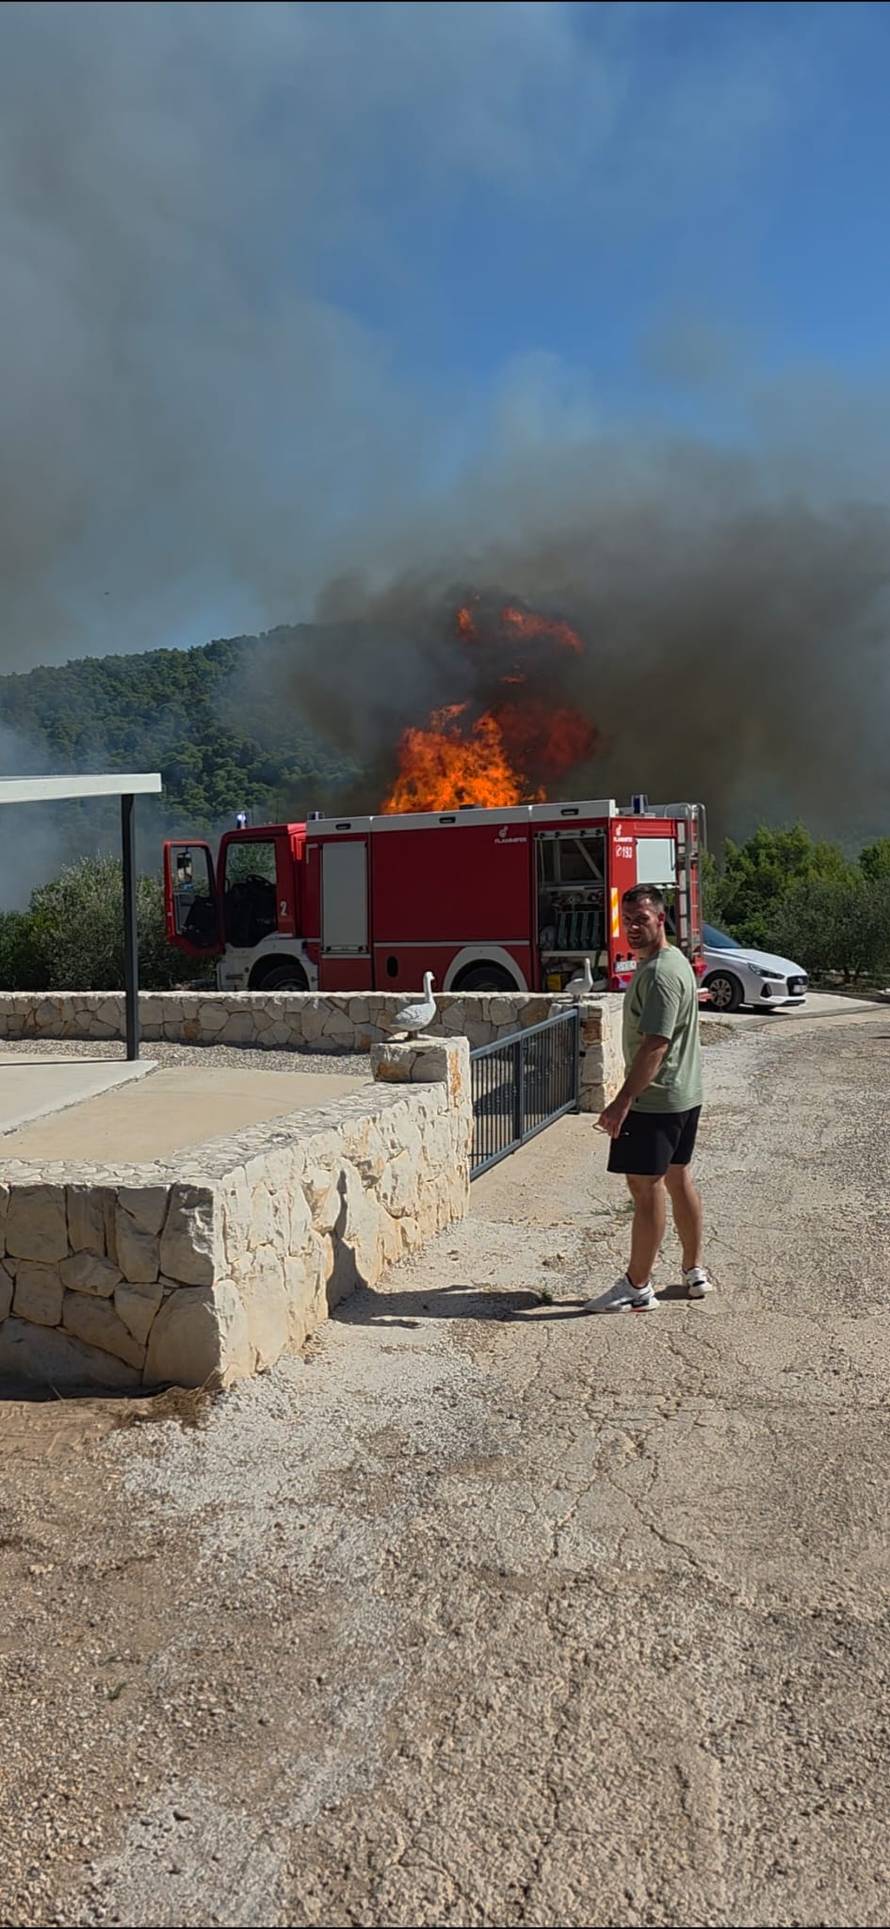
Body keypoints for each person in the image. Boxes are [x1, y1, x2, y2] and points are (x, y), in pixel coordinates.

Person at [585, 884, 713, 1312]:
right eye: (629, 920)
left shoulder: (659, 973)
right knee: (678, 1178)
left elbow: (655, 1045)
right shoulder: (674, 961)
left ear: (661, 919)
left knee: (645, 1187)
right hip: (685, 1093)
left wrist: (622, 1101)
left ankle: (637, 1287)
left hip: (656, 1100)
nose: (634, 928)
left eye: (643, 919)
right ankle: (694, 1271)